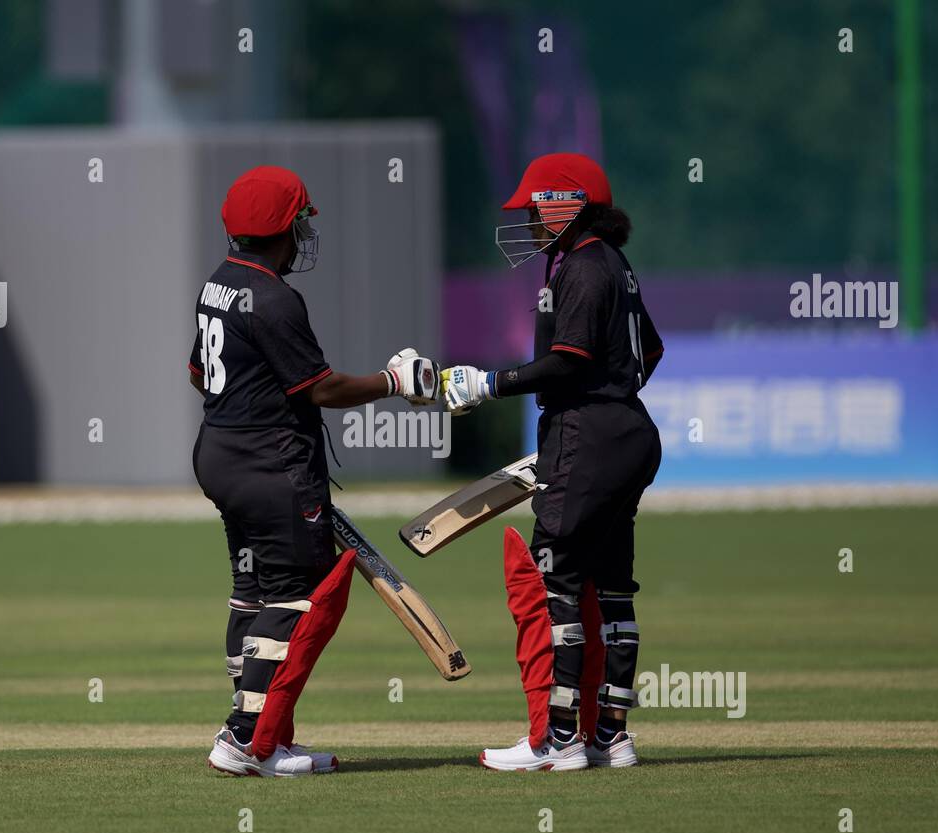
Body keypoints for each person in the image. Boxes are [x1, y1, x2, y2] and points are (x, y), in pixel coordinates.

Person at [190, 165, 438, 776]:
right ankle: (244, 738)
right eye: (300, 220)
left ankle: (269, 735)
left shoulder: (217, 284)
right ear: (282, 227)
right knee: (299, 599)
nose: (304, 232)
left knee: (252, 592)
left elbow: (199, 372)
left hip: (220, 455)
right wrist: (394, 382)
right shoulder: (275, 298)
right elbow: (322, 389)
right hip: (272, 465)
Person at [441, 153, 664, 771]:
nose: (529, 220)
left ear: (567, 205)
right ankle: (611, 737)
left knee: (554, 582)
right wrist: (614, 398)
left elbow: (569, 359)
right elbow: (652, 349)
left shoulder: (584, 268)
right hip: (626, 436)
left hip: (588, 434)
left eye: (536, 207)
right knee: (613, 585)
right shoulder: (609, 264)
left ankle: (558, 741)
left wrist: (489, 383)